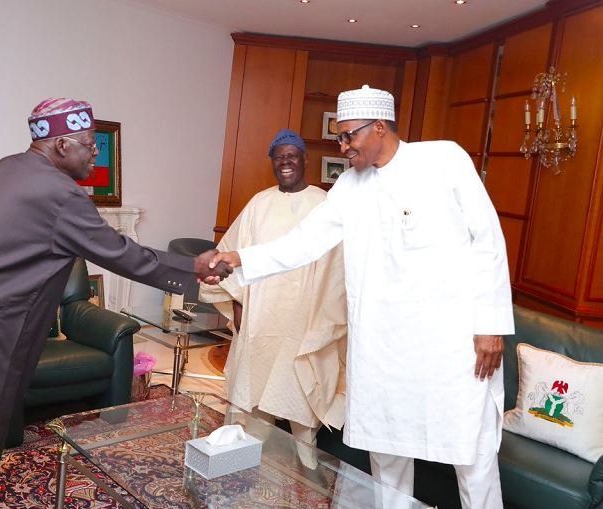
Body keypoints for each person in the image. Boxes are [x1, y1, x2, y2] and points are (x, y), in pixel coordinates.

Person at [0, 97, 232, 509]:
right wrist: (192, 267)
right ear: (61, 145)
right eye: (89, 143)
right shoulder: (61, 194)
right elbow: (122, 253)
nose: (94, 152)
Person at [211, 85, 513, 508]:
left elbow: (488, 241)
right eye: (339, 136)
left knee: (471, 450)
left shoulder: (444, 160)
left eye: (349, 135)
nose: (342, 146)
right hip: (382, 346)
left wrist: (491, 326)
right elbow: (304, 242)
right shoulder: (350, 186)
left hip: (449, 343)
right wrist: (238, 257)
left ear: (380, 127)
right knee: (386, 450)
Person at [199, 129, 347, 466]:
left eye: (291, 156)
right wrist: (237, 303)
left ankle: (305, 470)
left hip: (304, 317)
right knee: (250, 391)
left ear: (304, 159)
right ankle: (235, 461)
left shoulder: (324, 204)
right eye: (279, 157)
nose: (285, 163)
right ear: (272, 162)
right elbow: (234, 255)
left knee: (297, 394)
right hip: (261, 315)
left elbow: (337, 269)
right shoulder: (259, 204)